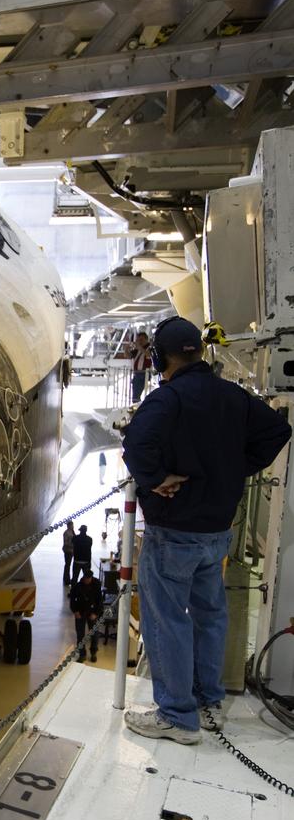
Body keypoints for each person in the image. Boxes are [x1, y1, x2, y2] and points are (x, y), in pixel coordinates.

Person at [122, 316, 291, 744]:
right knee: (210, 613)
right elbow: (277, 430)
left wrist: (156, 478)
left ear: (160, 358)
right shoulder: (232, 395)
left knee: (166, 619)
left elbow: (136, 444)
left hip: (174, 529)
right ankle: (207, 697)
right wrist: (236, 469)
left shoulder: (168, 400)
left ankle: (177, 716)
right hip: (217, 530)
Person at [69, 568, 103, 662]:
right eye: (85, 578)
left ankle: (93, 652)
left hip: (92, 612)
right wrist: (75, 611)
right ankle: (82, 654)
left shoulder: (96, 585)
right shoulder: (78, 586)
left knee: (95, 634)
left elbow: (99, 601)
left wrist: (96, 613)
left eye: (89, 579)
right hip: (80, 611)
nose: (87, 580)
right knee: (80, 635)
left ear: (91, 578)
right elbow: (72, 599)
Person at [131, 331, 152, 404]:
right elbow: (129, 356)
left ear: (146, 339)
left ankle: (137, 408)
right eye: (138, 340)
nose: (140, 342)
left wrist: (139, 347)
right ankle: (136, 406)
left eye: (141, 340)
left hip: (143, 374)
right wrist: (126, 349)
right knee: (135, 394)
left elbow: (149, 355)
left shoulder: (149, 347)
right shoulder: (139, 349)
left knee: (136, 395)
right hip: (137, 374)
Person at [61, 520, 75, 586]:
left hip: (71, 551)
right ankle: (67, 579)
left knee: (68, 565)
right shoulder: (66, 533)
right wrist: (73, 545)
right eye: (72, 525)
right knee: (67, 565)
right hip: (68, 551)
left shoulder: (72, 532)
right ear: (68, 526)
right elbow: (66, 543)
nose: (73, 526)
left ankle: (66, 579)